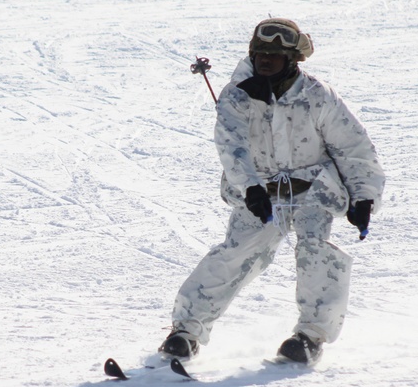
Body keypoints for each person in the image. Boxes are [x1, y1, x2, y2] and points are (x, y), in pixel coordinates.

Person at [160, 18, 385, 365]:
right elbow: (231, 146)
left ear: (292, 59)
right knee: (236, 254)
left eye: (275, 55)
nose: (266, 59)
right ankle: (185, 332)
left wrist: (364, 196)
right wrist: (250, 188)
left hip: (313, 190)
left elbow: (353, 147)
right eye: (260, 52)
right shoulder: (238, 96)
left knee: (317, 252)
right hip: (262, 193)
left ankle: (310, 337)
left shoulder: (316, 95)